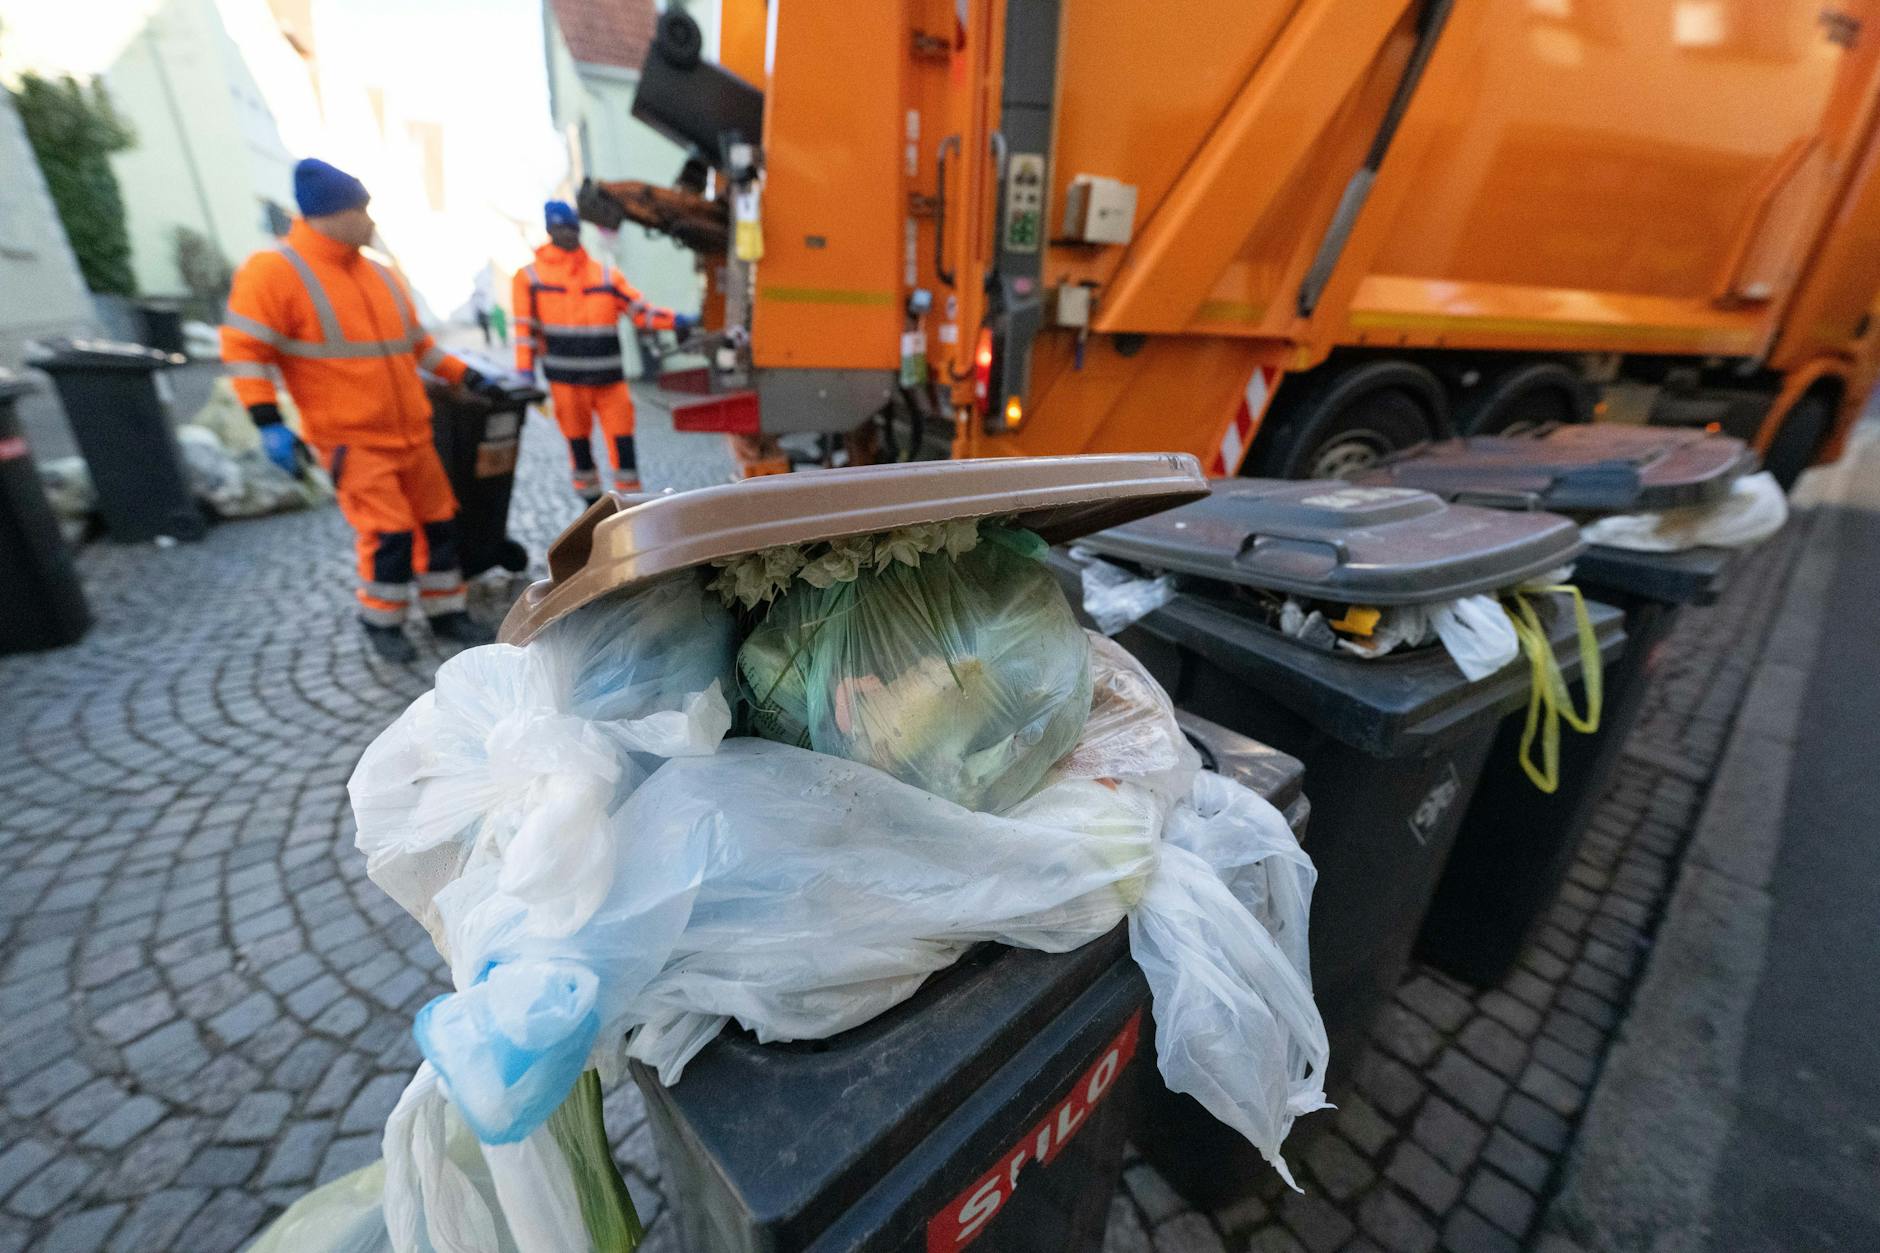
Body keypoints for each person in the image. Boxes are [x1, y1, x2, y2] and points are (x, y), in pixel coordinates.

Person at [221, 157, 503, 663]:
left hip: (413, 433)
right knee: (389, 534)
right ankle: (381, 622)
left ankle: (446, 614)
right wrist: (268, 422)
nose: (371, 220)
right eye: (362, 209)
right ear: (333, 213)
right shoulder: (274, 272)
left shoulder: (382, 276)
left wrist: (467, 376)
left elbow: (417, 345)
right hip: (352, 438)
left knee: (439, 524)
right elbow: (246, 351)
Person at [513, 200, 694, 501]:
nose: (567, 234)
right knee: (577, 443)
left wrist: (677, 321)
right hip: (566, 382)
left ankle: (631, 502)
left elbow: (640, 311)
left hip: (609, 379)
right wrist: (524, 371)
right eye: (559, 228)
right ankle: (589, 505)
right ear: (549, 230)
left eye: (571, 227)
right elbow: (524, 330)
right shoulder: (530, 278)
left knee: (623, 440)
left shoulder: (606, 277)